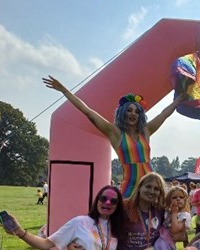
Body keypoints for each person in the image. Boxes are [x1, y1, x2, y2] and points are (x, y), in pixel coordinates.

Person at [43, 76, 181, 198]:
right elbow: (88, 112)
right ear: (122, 113)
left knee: (157, 215)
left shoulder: (145, 131)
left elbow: (164, 114)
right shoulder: (116, 133)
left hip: (151, 185)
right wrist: (64, 91)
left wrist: (180, 98)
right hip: (130, 186)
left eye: (137, 111)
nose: (133, 114)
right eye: (129, 110)